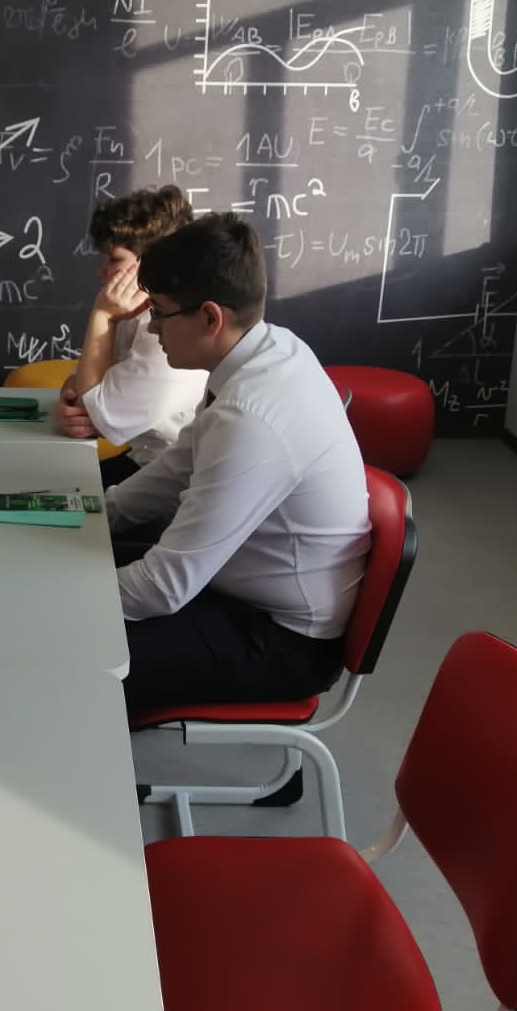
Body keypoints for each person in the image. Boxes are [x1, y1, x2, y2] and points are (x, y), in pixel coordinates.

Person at [106, 212, 370, 712]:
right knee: (91, 565)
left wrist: (58, 597)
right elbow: (177, 468)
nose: (152, 328)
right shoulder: (267, 349)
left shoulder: (253, 415)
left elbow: (164, 588)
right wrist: (97, 514)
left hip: (280, 640)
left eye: (159, 312)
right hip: (240, 590)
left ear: (210, 318)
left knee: (76, 649)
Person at [54, 185, 207, 488]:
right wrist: (76, 403)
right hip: (145, 460)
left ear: (151, 261)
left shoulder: (171, 331)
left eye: (114, 259)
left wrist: (101, 315)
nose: (102, 271)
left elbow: (94, 411)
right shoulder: (132, 313)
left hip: (180, 482)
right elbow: (79, 388)